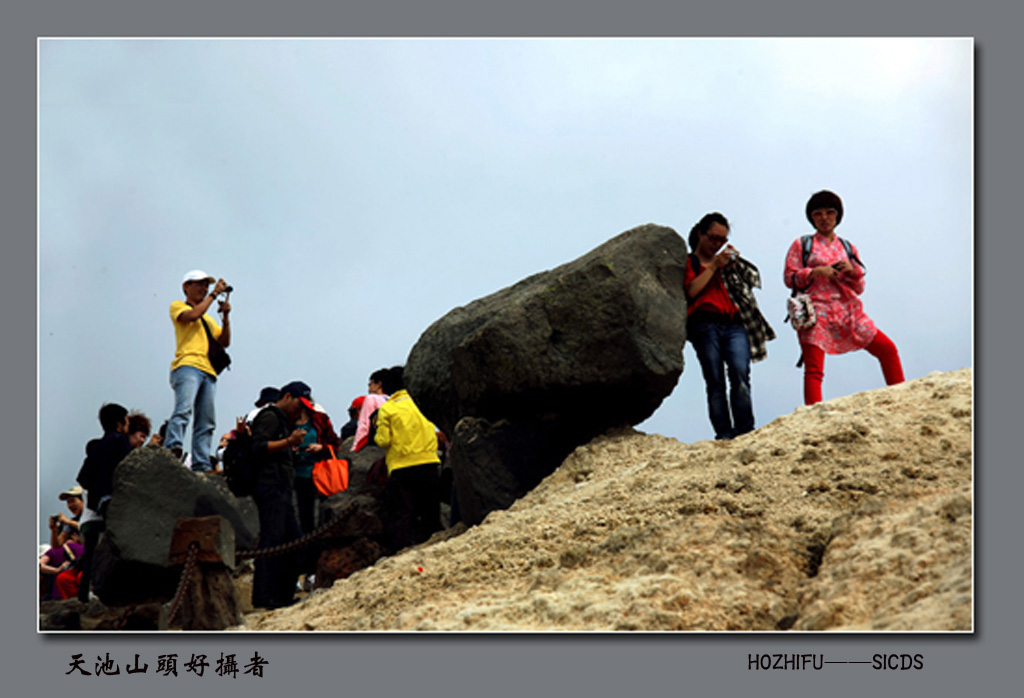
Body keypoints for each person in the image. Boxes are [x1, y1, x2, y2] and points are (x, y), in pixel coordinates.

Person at [784, 190, 905, 405]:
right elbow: (789, 277)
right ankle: (813, 416)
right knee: (814, 368)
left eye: (830, 212)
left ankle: (903, 398)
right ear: (811, 217)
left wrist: (852, 271)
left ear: (837, 215)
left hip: (848, 311)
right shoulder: (802, 245)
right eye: (818, 213)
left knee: (887, 349)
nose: (824, 218)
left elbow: (859, 287)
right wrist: (815, 272)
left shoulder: (848, 248)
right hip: (815, 311)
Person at [684, 213, 775, 440]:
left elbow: (753, 280)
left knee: (740, 374)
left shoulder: (725, 264)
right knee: (715, 381)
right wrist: (713, 266)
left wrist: (734, 263)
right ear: (700, 234)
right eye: (713, 238)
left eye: (721, 240)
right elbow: (692, 291)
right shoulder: (690, 262)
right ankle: (724, 433)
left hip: (734, 322)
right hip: (704, 323)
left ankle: (745, 430)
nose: (717, 244)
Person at [248, 381, 310, 610]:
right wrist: (288, 442)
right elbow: (258, 447)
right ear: (286, 397)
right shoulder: (270, 416)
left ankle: (282, 595)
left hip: (281, 487)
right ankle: (265, 597)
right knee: (273, 541)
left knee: (292, 542)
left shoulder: (282, 420)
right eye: (298, 403)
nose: (299, 409)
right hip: (270, 486)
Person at [165, 269, 232, 472]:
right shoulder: (178, 306)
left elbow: (224, 342)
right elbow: (193, 315)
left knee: (206, 420)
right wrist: (213, 296)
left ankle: (201, 463)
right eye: (199, 284)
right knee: (184, 410)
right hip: (188, 366)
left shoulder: (209, 320)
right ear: (186, 286)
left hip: (208, 371)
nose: (204, 288)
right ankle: (172, 447)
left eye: (207, 285)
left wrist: (226, 317)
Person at [374, 366, 442, 550]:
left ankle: (403, 550)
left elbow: (383, 440)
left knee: (404, 513)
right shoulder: (421, 403)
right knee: (431, 511)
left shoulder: (387, 409)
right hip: (429, 462)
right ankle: (435, 545)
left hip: (401, 466)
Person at [75, 403, 132, 602]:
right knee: (117, 551)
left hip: (98, 506)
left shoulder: (97, 446)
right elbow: (127, 471)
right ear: (119, 424)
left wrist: (99, 491)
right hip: (117, 504)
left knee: (91, 555)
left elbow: (83, 478)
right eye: (126, 422)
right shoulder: (120, 441)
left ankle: (85, 595)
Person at [351, 369, 390, 452]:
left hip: (373, 444)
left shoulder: (371, 398)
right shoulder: (391, 400)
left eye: (371, 383)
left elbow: (364, 424)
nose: (368, 386)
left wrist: (355, 446)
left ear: (379, 384)